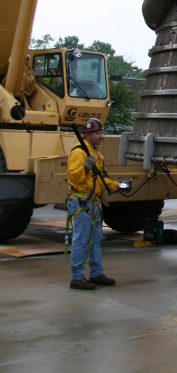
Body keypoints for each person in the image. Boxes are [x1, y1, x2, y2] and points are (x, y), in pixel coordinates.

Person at [66, 118, 120, 290]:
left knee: (96, 239)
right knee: (81, 241)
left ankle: (96, 273)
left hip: (93, 203)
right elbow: (74, 177)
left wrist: (116, 185)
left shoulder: (96, 154)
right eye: (97, 133)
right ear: (87, 135)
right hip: (81, 202)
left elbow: (100, 178)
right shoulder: (79, 153)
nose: (101, 136)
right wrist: (85, 167)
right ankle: (76, 277)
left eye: (101, 132)